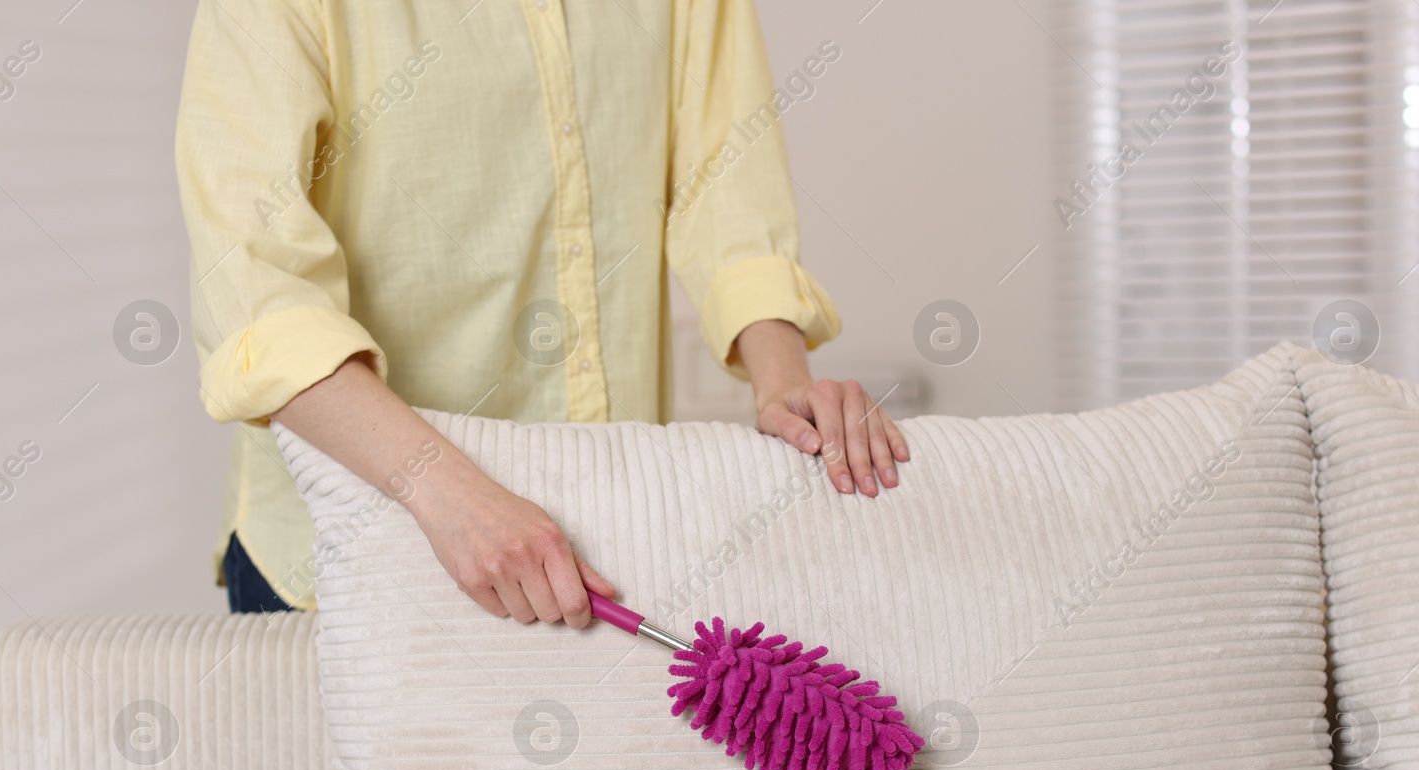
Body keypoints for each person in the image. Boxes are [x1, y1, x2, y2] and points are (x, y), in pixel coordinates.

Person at [175, 0, 908, 626]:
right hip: (349, 543)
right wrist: (450, 492)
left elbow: (727, 186)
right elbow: (253, 288)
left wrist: (783, 384)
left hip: (592, 540)